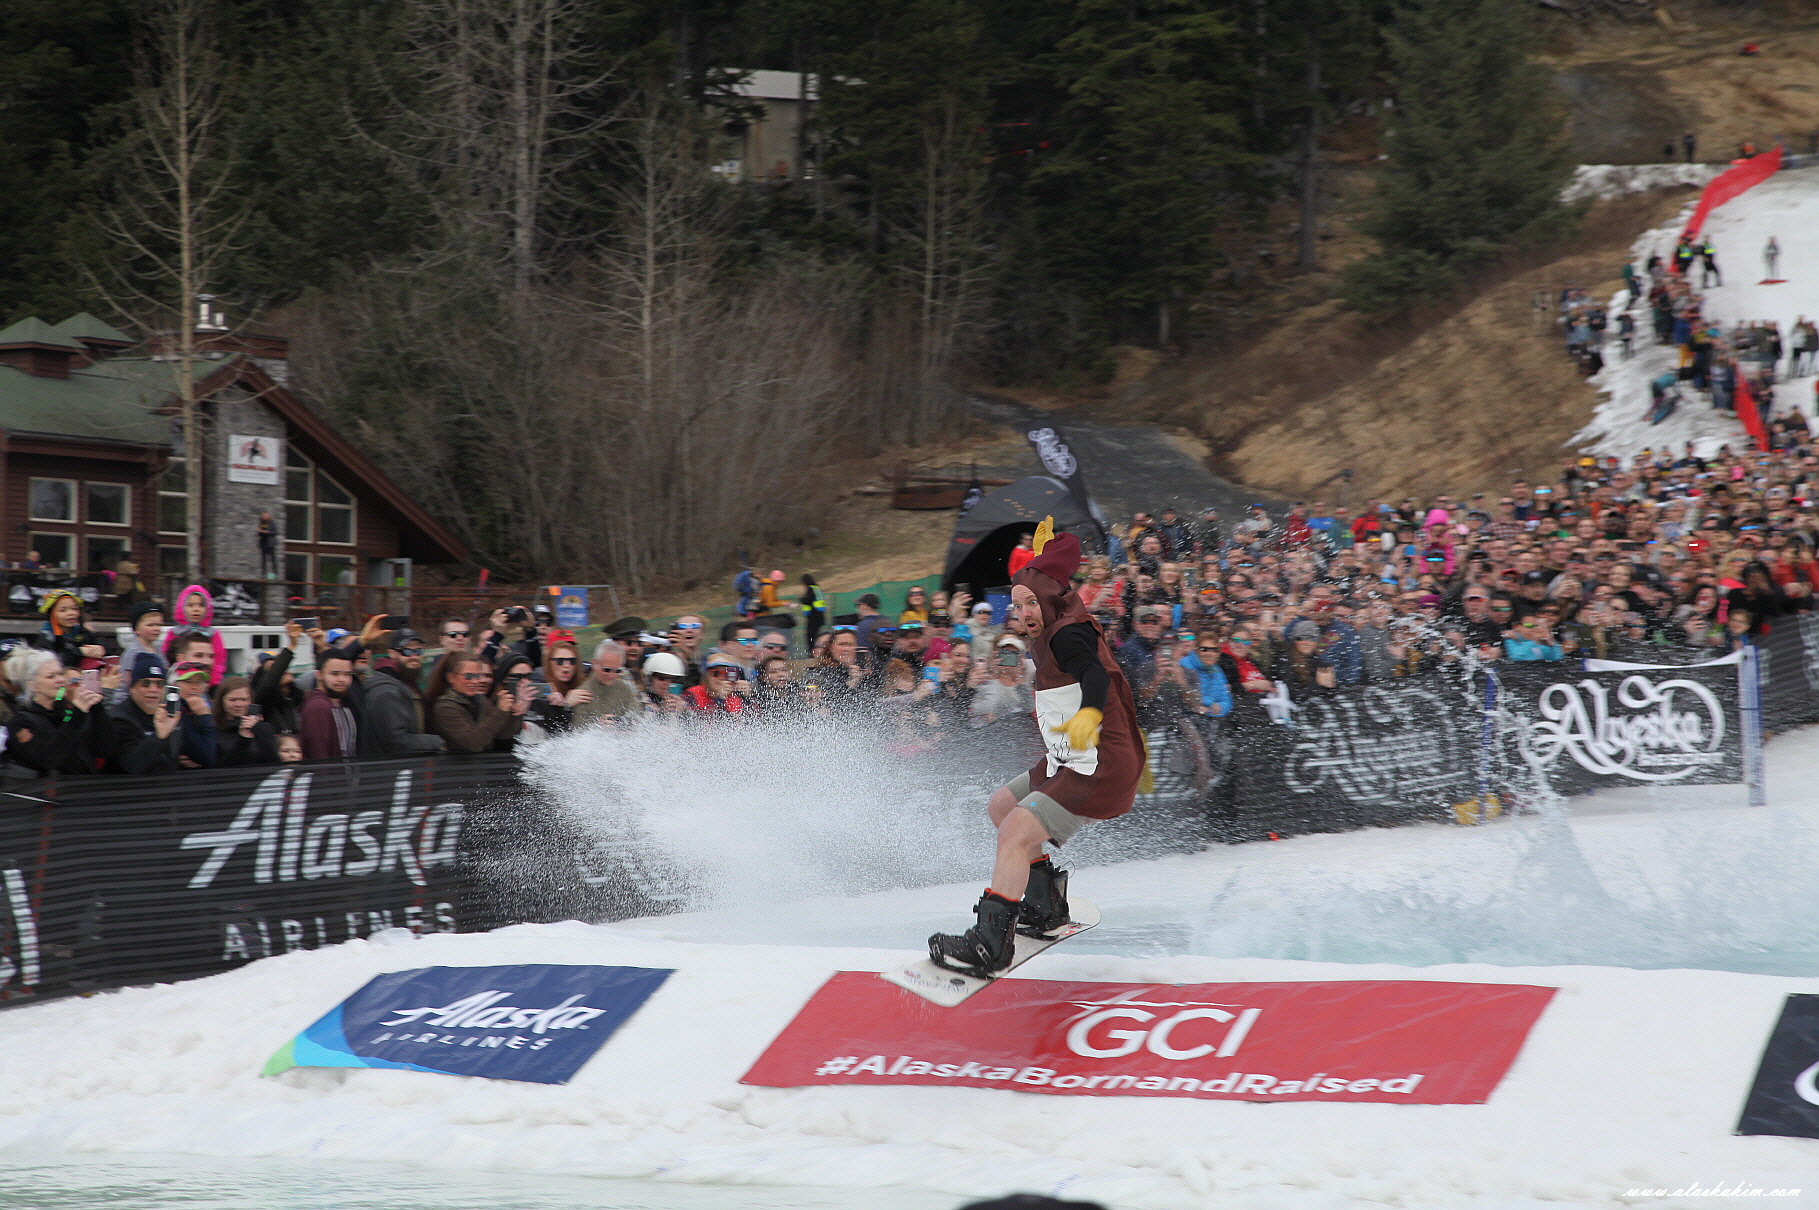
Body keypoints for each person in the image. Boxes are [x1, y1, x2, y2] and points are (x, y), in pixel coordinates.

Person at [929, 519, 1144, 977]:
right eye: (1017, 603)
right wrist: (1046, 564)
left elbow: (1094, 675)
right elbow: (1061, 590)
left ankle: (990, 946)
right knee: (1001, 807)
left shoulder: (1065, 633)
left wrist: (1089, 713)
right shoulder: (1058, 616)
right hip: (1068, 757)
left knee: (1014, 833)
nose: (1024, 612)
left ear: (1048, 601)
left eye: (1031, 602)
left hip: (1097, 764)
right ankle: (1045, 908)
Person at [2, 647, 117, 775]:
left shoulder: (69, 713)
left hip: (86, 784)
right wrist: (76, 716)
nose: (60, 680)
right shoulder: (22, 722)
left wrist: (97, 710)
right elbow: (47, 759)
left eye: (61, 674)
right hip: (48, 786)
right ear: (32, 685)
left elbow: (105, 750)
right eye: (51, 676)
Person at [359, 629, 445, 755]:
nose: (414, 656)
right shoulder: (386, 691)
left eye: (418, 651)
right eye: (407, 651)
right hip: (388, 764)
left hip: (407, 763)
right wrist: (438, 743)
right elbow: (396, 741)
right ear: (392, 653)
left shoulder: (409, 683)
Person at [428, 652, 525, 751]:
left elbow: (503, 735)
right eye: (468, 676)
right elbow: (472, 743)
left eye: (477, 676)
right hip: (457, 759)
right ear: (451, 677)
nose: (474, 681)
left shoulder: (481, 701)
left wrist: (514, 713)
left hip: (482, 759)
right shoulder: (445, 707)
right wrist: (500, 711)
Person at [107, 652, 183, 775]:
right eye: (145, 683)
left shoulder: (171, 714)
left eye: (160, 684)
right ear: (132, 688)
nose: (153, 689)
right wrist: (158, 737)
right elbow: (131, 765)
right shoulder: (119, 719)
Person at [161, 584, 227, 685]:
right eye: (190, 605)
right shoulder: (174, 632)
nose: (196, 609)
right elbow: (165, 657)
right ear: (182, 607)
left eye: (201, 605)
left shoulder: (213, 633)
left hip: (204, 681)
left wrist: (213, 681)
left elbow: (219, 660)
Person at [299, 650, 359, 759]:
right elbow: (318, 755)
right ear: (319, 675)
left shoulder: (340, 703)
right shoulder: (318, 707)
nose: (342, 679)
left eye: (347, 674)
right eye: (335, 674)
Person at [212, 675, 280, 766]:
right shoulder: (213, 729)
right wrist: (243, 739)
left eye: (244, 699)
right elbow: (221, 766)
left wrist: (259, 729)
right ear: (221, 701)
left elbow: (275, 762)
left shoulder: (263, 727)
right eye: (232, 700)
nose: (239, 704)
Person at [571, 639, 640, 728]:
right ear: (595, 664)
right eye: (607, 670)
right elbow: (577, 729)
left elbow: (636, 719)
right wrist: (597, 726)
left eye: (617, 671)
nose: (612, 675)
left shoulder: (624, 689)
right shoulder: (582, 694)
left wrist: (626, 725)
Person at [32, 589, 108, 669]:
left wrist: (101, 649)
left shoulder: (82, 632)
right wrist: (79, 652)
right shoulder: (46, 636)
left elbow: (103, 645)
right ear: (51, 614)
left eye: (74, 609)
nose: (71, 613)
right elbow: (53, 662)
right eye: (63, 610)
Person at [799, 575, 828, 651]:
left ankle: (812, 653)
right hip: (819, 616)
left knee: (811, 637)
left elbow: (808, 601)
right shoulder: (816, 588)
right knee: (816, 636)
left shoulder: (811, 589)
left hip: (814, 617)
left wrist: (801, 599)